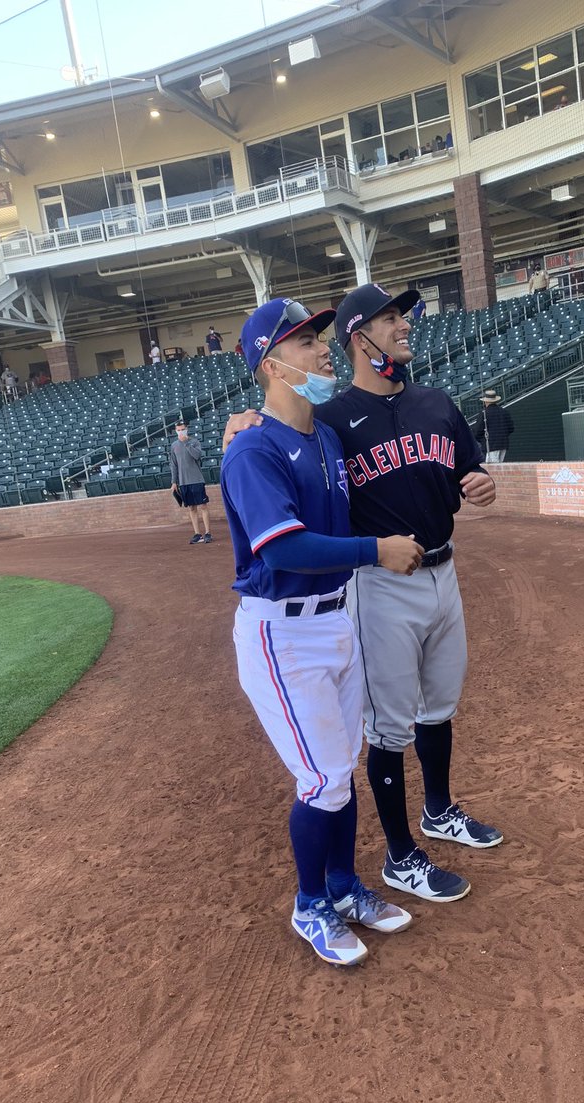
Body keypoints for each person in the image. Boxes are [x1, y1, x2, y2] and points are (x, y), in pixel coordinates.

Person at [224, 285, 502, 904]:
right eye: (389, 317)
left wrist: (479, 478)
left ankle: (435, 812)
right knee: (379, 730)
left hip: (440, 571)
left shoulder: (431, 404)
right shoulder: (328, 418)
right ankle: (397, 856)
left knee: (438, 705)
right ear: (361, 336)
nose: (403, 325)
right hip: (373, 586)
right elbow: (270, 423)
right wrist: (240, 421)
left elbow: (467, 465)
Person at [222, 297, 421, 967]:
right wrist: (375, 550)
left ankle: (342, 887)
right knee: (322, 779)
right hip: (283, 634)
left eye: (318, 336)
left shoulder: (325, 438)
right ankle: (310, 904)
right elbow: (281, 550)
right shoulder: (252, 449)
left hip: (335, 620)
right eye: (305, 341)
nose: (322, 348)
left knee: (342, 771)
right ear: (271, 364)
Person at [169, 420, 212, 544]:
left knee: (203, 506)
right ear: (175, 431)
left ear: (186, 429)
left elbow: (197, 456)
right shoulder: (174, 446)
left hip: (197, 479)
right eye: (178, 430)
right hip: (183, 482)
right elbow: (173, 465)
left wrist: (186, 443)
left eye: (183, 429)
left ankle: (208, 532)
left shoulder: (194, 442)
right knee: (191, 508)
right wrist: (174, 482)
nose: (181, 431)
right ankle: (197, 533)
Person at [471, 390, 514, 463]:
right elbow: (511, 428)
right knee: (500, 467)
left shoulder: (484, 413)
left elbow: (477, 431)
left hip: (491, 445)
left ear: (485, 401)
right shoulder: (504, 412)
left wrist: (482, 440)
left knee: (492, 469)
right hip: (504, 444)